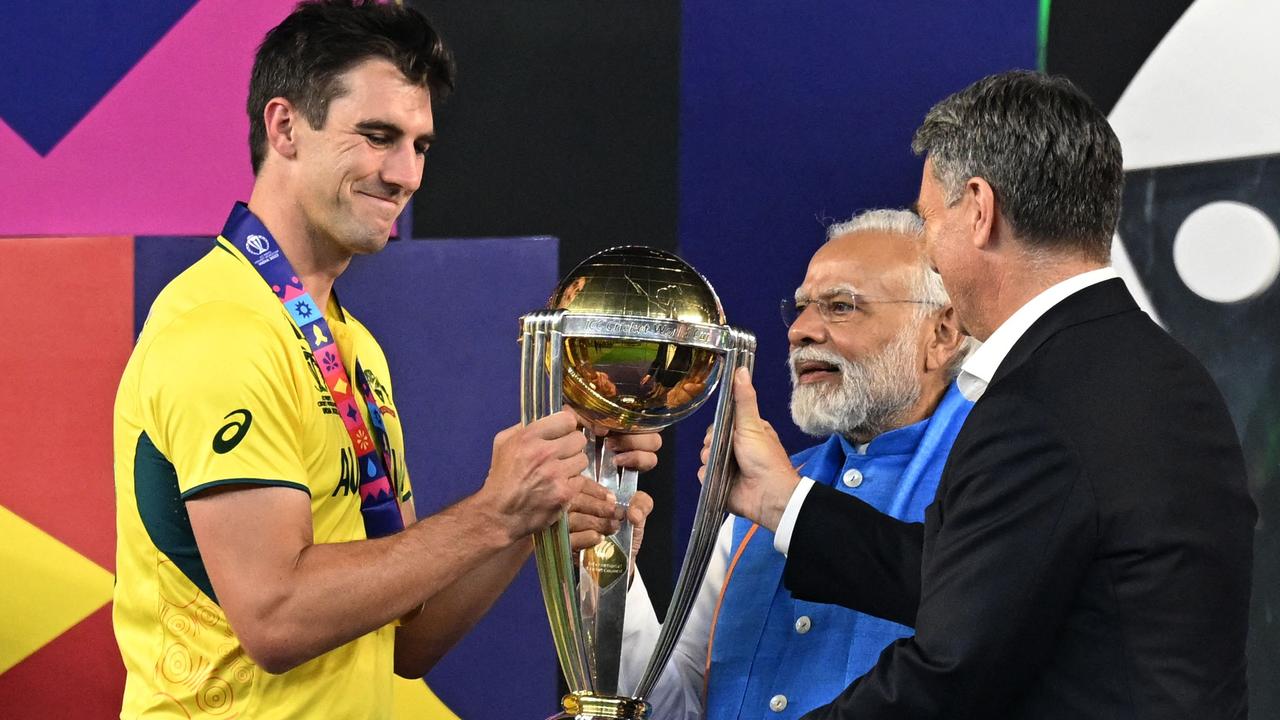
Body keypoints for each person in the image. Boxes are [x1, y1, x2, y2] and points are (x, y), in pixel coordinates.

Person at [111, 2, 658, 718]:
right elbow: (275, 618)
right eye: (377, 136)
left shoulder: (352, 345)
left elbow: (406, 642)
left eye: (421, 146)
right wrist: (491, 512)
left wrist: (532, 516)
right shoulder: (223, 327)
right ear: (285, 128)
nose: (404, 175)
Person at [713, 70, 1257, 719]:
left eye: (928, 220)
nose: (931, 251)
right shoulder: (1155, 369)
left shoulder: (1040, 402)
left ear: (978, 208)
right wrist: (784, 503)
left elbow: (949, 670)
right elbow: (983, 580)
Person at [620, 209, 976, 719]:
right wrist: (613, 574)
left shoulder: (995, 478)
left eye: (841, 307)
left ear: (941, 333)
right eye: (803, 308)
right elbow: (677, 710)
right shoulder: (755, 495)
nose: (801, 331)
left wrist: (785, 505)